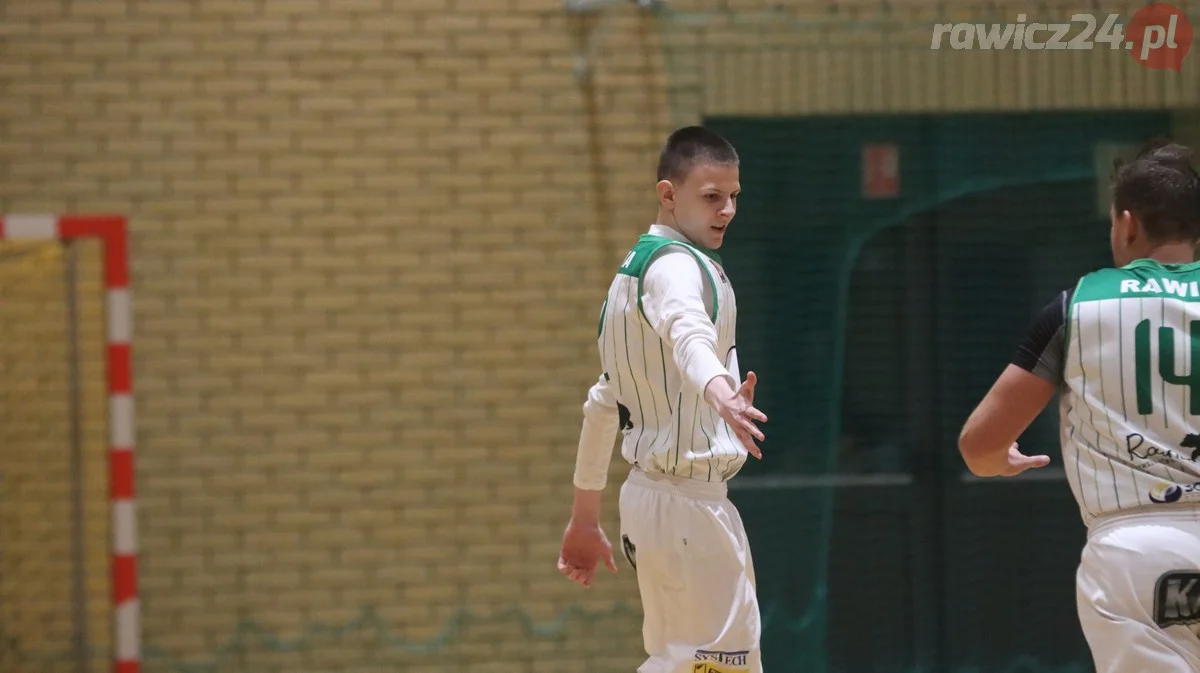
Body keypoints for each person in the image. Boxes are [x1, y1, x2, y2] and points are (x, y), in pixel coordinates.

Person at [959, 140, 1200, 672]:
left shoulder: (1076, 308)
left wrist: (1001, 461)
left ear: (1127, 224)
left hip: (1135, 551)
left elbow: (979, 446)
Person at [556, 125, 768, 673]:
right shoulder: (676, 267)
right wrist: (722, 393)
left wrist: (584, 517)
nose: (726, 211)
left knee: (683, 663)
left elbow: (604, 404)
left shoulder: (629, 276)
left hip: (654, 503)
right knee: (717, 668)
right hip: (686, 506)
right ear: (668, 194)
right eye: (710, 197)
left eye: (733, 197)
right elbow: (688, 332)